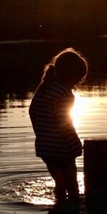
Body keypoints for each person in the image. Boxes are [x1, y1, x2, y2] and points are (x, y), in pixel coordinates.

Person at [28, 48, 88, 203]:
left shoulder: (44, 86)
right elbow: (65, 124)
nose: (77, 83)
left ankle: (59, 204)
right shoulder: (65, 93)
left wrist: (40, 133)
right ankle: (73, 208)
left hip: (45, 147)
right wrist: (76, 145)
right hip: (62, 147)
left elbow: (32, 111)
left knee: (59, 183)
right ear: (72, 75)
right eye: (78, 79)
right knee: (72, 185)